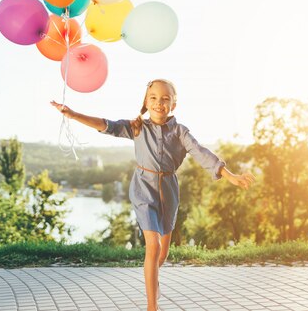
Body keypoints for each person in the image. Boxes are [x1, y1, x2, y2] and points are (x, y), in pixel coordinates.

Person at [51, 79, 255, 311]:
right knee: (153, 246)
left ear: (173, 105)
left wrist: (230, 176)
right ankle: (152, 306)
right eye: (154, 98)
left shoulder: (180, 132)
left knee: (163, 253)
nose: (159, 103)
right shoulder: (137, 127)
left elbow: (201, 153)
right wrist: (73, 114)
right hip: (143, 189)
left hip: (169, 190)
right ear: (146, 102)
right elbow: (106, 125)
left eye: (165, 99)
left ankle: (152, 279)